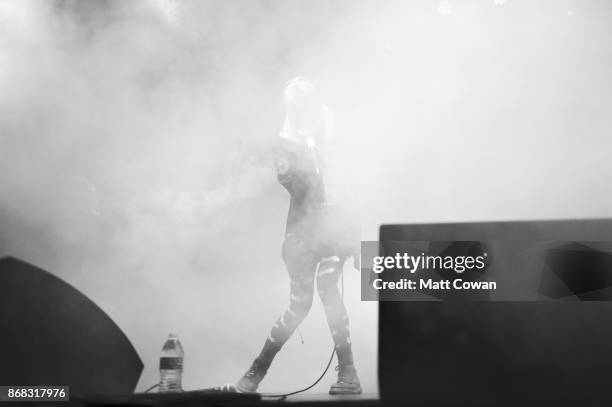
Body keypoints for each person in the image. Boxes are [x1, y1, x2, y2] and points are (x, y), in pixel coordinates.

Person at [236, 77, 361, 395]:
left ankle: (348, 372)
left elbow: (353, 190)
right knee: (298, 308)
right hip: (303, 237)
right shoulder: (287, 144)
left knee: (328, 288)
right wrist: (301, 142)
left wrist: (359, 244)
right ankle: (256, 371)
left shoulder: (329, 142)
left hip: (334, 233)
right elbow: (290, 180)